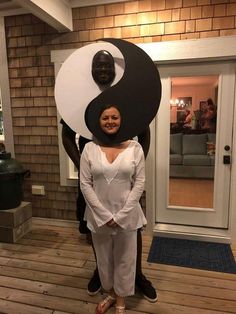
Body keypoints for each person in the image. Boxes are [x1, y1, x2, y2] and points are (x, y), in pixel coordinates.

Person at [61, 50, 157, 302]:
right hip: (94, 170)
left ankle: (137, 275)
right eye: (98, 67)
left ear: (115, 71)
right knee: (96, 226)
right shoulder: (80, 98)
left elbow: (143, 133)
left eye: (107, 67)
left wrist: (134, 163)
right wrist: (84, 164)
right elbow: (66, 136)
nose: (103, 71)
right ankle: (100, 271)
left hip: (123, 173)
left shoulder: (126, 95)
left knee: (130, 227)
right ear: (92, 71)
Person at [80, 105, 147, 314]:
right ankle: (109, 293)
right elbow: (85, 184)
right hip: (98, 217)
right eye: (105, 118)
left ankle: (121, 300)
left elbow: (139, 183)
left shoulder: (135, 148)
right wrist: (104, 215)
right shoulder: (89, 149)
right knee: (104, 258)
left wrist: (121, 215)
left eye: (115, 117)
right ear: (99, 122)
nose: (110, 121)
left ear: (121, 120)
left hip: (127, 217)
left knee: (125, 259)